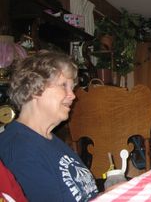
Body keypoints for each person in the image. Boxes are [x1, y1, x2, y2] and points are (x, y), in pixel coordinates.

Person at [0, 51, 98, 201]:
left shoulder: (51, 141)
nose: (72, 95)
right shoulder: (19, 149)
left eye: (72, 87)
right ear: (34, 88)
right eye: (64, 85)